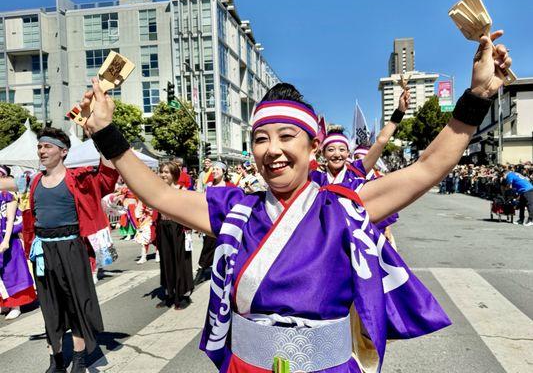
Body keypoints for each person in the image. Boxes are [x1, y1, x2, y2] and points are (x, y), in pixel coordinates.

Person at [82, 30, 511, 372]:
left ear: (313, 148)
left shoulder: (344, 206)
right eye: (261, 139)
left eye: (287, 137)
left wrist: (476, 98)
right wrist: (106, 132)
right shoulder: (237, 209)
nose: (273, 149)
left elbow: (425, 169)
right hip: (246, 366)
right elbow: (158, 193)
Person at [0, 127, 118, 373]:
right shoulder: (31, 180)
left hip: (71, 247)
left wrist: (100, 135)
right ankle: (56, 360)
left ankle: (79, 357)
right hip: (44, 250)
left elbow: (107, 176)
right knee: (50, 306)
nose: (42, 151)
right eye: (40, 147)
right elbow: (4, 183)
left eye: (47, 146)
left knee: (76, 304)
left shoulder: (78, 179)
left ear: (63, 152)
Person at [0, 165, 37, 320]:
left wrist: (6, 240)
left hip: (8, 240)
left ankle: (16, 305)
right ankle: (4, 303)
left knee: (12, 271)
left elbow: (11, 220)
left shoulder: (9, 195)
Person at [156, 162, 194, 309]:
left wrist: (189, 231)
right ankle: (169, 293)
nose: (163, 174)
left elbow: (189, 211)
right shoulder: (159, 190)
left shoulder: (181, 190)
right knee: (166, 261)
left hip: (178, 228)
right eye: (162, 172)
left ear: (174, 174)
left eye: (167, 172)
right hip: (163, 227)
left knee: (180, 261)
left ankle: (182, 295)